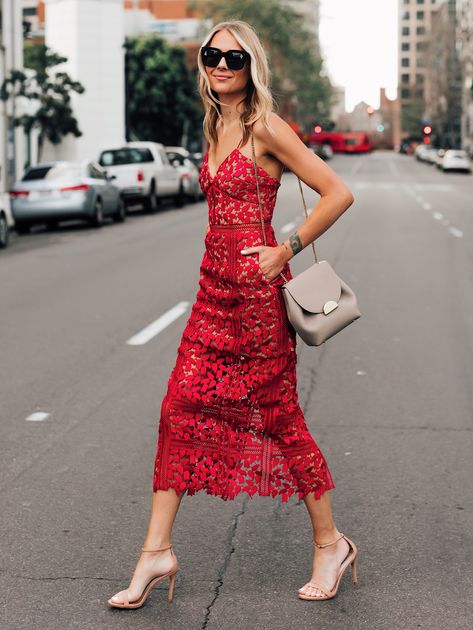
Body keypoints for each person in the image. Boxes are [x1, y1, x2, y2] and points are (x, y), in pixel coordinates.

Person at [108, 19, 357, 609]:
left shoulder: (264, 125)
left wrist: (284, 250)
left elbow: (338, 192)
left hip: (256, 303)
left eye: (233, 57)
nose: (221, 64)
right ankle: (156, 552)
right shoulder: (214, 122)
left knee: (279, 418)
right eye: (212, 54)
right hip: (212, 294)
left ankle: (331, 543)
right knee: (178, 408)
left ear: (252, 66)